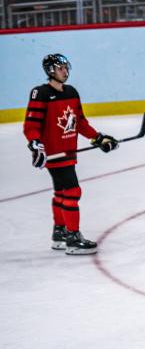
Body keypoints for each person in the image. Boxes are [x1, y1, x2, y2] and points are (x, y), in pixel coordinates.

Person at [23, 53, 119, 254]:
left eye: (66, 68)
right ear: (50, 71)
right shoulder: (40, 93)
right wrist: (35, 144)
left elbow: (80, 123)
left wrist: (98, 138)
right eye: (60, 68)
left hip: (69, 153)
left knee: (61, 192)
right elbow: (31, 126)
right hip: (54, 155)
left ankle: (60, 233)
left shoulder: (72, 92)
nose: (65, 72)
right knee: (73, 191)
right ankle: (73, 238)